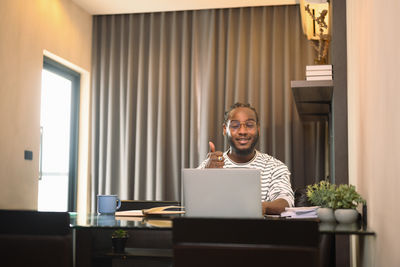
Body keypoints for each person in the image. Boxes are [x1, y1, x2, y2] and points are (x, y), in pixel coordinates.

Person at [198, 102, 294, 215]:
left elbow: (286, 203)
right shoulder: (210, 165)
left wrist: (258, 207)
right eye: (234, 126)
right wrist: (206, 177)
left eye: (249, 125)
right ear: (225, 129)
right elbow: (192, 203)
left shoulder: (275, 167)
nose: (242, 131)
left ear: (258, 128)